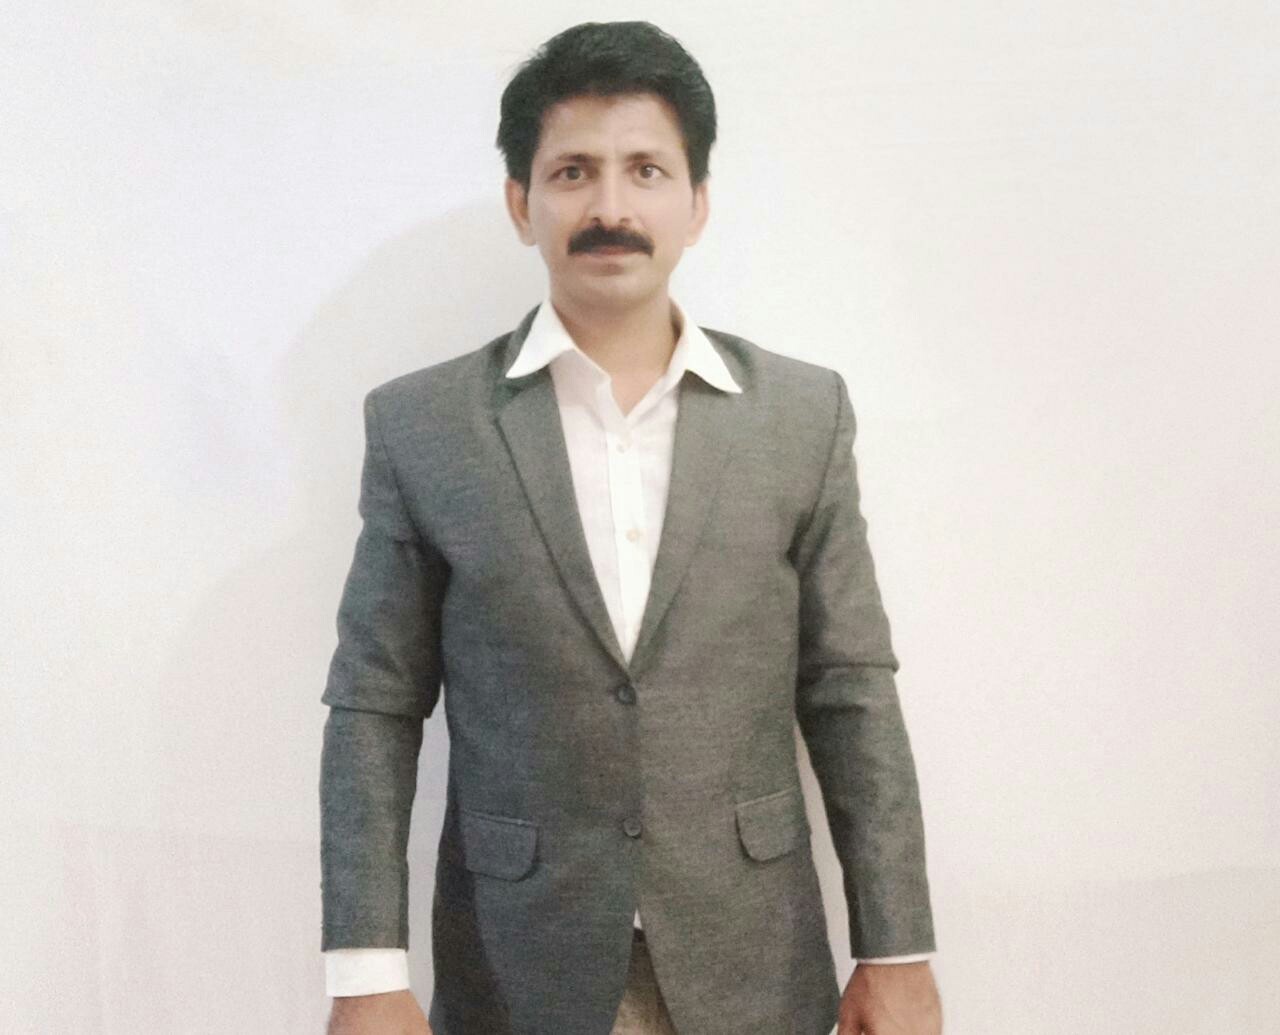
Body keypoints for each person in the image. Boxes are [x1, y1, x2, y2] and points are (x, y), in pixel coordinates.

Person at [320, 20, 941, 1035]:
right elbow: (374, 707)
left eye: (645, 170)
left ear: (696, 204)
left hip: (752, 961)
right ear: (520, 202)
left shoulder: (799, 416)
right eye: (573, 172)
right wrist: (365, 972)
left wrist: (897, 950)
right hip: (516, 965)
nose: (610, 207)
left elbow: (850, 689)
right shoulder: (424, 426)